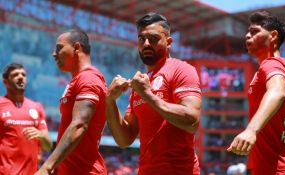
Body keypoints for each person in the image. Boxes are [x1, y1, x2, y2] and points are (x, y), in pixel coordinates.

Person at [106, 12, 202, 175]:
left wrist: (147, 95)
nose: (146, 44)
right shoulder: (141, 83)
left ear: (169, 42)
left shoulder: (182, 70)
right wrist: (110, 101)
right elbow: (124, 139)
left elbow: (191, 121)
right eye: (141, 39)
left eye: (154, 38)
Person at [227, 11, 285, 174]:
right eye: (248, 32)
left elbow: (277, 92)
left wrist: (251, 130)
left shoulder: (272, 64)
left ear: (273, 36)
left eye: (254, 31)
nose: (247, 36)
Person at [36, 29, 107, 175]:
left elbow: (79, 124)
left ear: (76, 48)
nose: (54, 54)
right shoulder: (77, 80)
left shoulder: (88, 79)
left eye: (59, 48)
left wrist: (47, 166)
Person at [0, 63, 52, 175]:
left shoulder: (37, 107)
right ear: (5, 82)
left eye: (23, 74)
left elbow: (48, 146)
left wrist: (41, 135)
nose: (20, 77)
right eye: (15, 75)